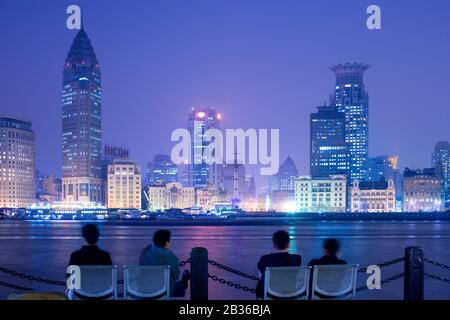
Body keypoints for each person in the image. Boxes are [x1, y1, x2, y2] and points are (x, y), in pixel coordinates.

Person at [139, 229, 190, 297]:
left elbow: (141, 269)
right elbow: (175, 278)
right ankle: (183, 283)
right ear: (167, 243)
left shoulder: (145, 253)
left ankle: (182, 283)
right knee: (178, 286)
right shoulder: (173, 258)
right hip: (164, 291)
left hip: (144, 290)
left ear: (154, 241)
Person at [255, 230, 302, 299]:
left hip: (270, 295)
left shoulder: (265, 259)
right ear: (288, 244)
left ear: (274, 245)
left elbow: (261, 275)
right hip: (289, 294)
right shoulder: (297, 259)